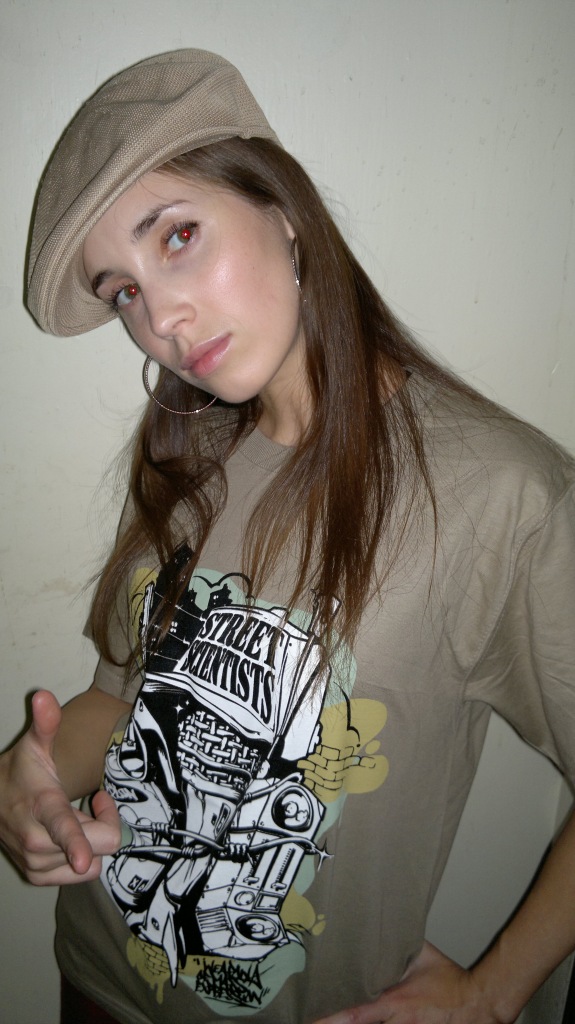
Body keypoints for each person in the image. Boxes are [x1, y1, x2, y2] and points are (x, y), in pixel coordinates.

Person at [1, 47, 574, 1024]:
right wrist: (35, 775)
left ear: (283, 208)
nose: (161, 318)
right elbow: (119, 696)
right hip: (96, 979)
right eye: (122, 290)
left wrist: (491, 992)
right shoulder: (187, 459)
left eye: (177, 236)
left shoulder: (501, 494)